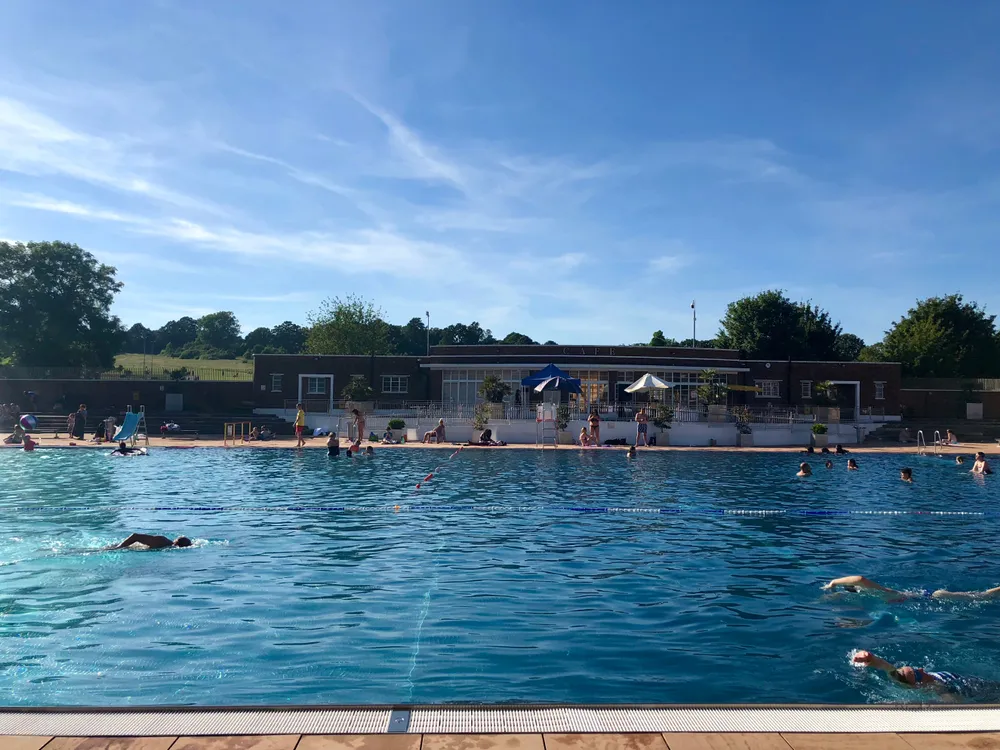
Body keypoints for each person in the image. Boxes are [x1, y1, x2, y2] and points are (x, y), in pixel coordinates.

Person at [852, 650, 999, 701]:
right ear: (917, 685)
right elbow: (956, 705)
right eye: (917, 674)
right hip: (981, 691)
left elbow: (885, 666)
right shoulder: (938, 688)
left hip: (978, 682)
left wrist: (867, 656)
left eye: (916, 668)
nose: (922, 670)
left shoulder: (900, 674)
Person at [111, 533, 192, 550]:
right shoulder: (162, 541)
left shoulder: (165, 544)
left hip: (127, 548)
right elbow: (135, 536)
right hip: (121, 547)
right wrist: (119, 547)